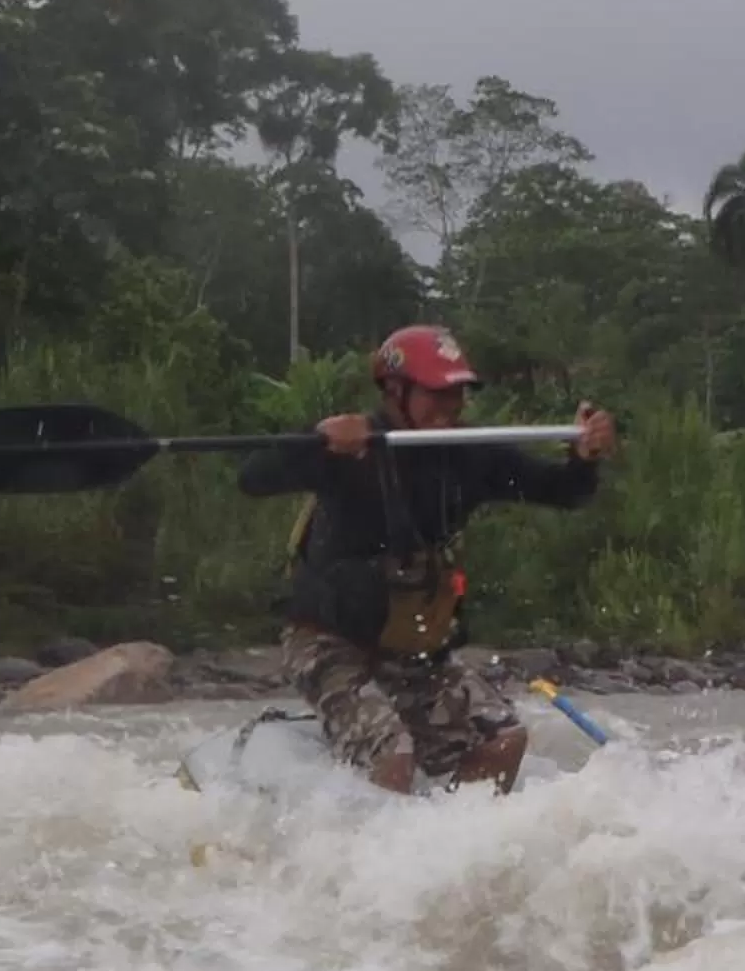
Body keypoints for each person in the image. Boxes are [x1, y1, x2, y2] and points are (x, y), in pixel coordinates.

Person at [237, 324, 617, 795]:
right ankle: (377, 825)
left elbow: (565, 492)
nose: (450, 407)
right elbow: (253, 479)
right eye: (436, 394)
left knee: (504, 738)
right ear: (395, 391)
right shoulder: (351, 450)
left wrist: (584, 459)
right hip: (328, 643)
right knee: (393, 752)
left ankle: (454, 830)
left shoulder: (472, 458)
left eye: (456, 394)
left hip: (412, 652)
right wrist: (312, 441)